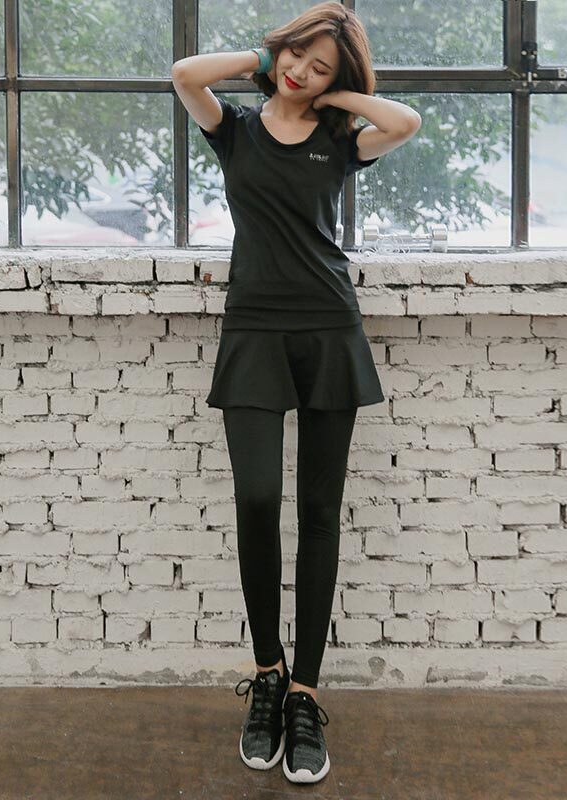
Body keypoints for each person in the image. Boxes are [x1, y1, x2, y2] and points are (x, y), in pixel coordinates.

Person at [172, 1, 420, 785]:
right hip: (254, 328)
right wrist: (264, 61)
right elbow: (184, 75)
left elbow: (405, 121)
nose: (300, 73)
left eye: (320, 67)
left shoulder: (340, 140)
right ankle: (267, 676)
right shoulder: (236, 130)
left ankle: (306, 694)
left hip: (327, 326)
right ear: (278, 49)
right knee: (256, 500)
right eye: (297, 57)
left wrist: (333, 93)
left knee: (318, 511)